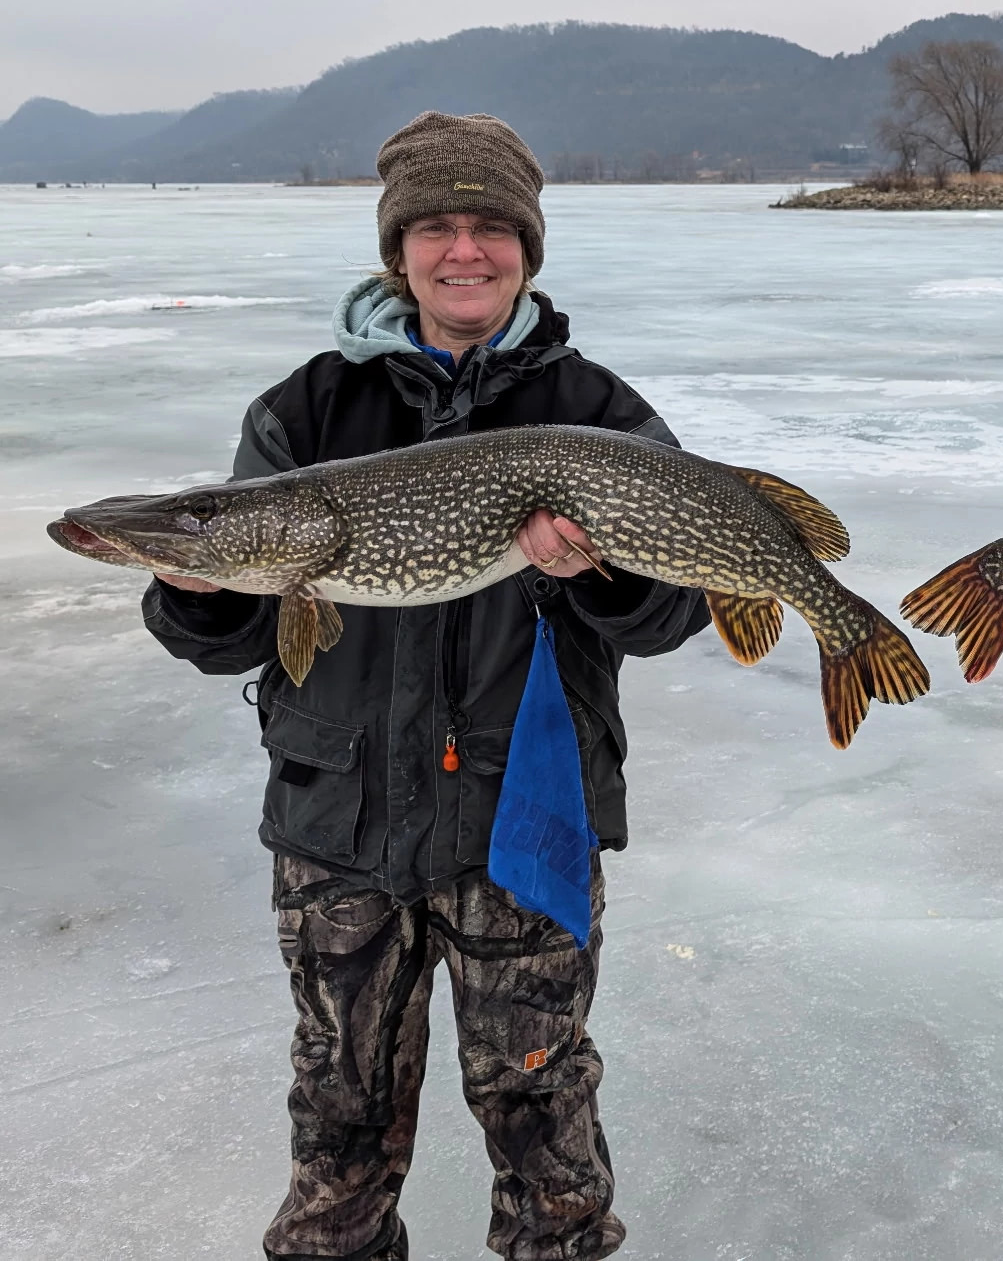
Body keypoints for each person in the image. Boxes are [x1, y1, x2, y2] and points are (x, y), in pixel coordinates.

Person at [142, 111, 708, 1261]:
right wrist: (195, 589)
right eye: (437, 228)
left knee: (546, 1130)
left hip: (525, 816)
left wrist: (599, 578)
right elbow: (241, 631)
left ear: (526, 250)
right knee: (337, 1132)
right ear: (396, 251)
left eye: (490, 228)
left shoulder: (597, 413)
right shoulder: (307, 409)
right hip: (338, 824)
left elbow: (671, 613)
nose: (464, 252)